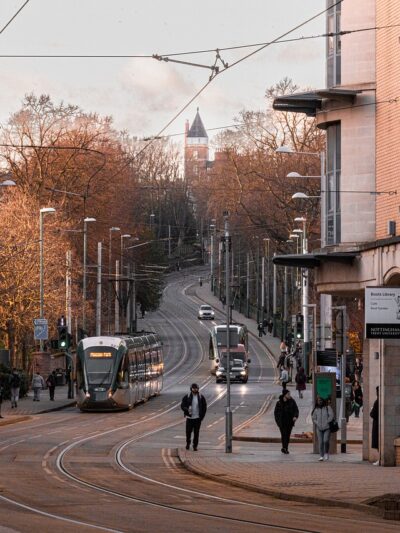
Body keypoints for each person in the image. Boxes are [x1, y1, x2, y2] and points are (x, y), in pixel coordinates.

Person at [181, 383, 207, 451]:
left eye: (196, 388)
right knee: (188, 432)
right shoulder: (187, 396)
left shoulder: (201, 397)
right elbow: (182, 405)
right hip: (189, 418)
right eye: (193, 388)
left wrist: (202, 417)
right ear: (191, 389)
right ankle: (188, 443)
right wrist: (186, 410)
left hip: (197, 418)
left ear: (198, 389)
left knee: (196, 433)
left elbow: (204, 407)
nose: (195, 390)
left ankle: (195, 446)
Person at [274, 389, 299, 454]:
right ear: (284, 395)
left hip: (290, 422)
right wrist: (278, 422)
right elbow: (276, 413)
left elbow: (296, 410)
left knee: (287, 435)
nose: (289, 395)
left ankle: (285, 448)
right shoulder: (279, 403)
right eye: (288, 394)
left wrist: (295, 416)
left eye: (289, 394)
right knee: (284, 435)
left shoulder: (292, 401)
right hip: (282, 423)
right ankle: (284, 448)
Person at [312, 397, 334, 461]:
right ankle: (321, 456)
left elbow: (331, 416)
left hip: (327, 428)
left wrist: (327, 421)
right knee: (321, 442)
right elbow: (313, 418)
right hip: (319, 428)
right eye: (318, 400)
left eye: (321, 400)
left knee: (325, 440)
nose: (320, 402)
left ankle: (326, 453)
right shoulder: (316, 409)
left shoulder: (328, 408)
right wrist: (317, 422)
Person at [370, 386, 379, 465]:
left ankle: (380, 459)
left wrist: (371, 410)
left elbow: (372, 414)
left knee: (377, 442)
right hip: (378, 424)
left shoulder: (377, 401)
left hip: (377, 424)